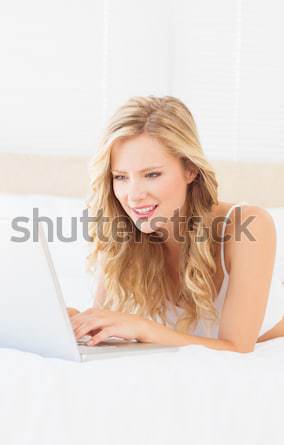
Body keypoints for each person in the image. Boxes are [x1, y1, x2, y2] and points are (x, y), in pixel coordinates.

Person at [67, 95, 284, 353]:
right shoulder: (123, 232)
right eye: (121, 177)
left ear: (190, 169)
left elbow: (237, 348)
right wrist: (77, 322)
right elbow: (108, 320)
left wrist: (142, 327)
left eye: (152, 174)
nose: (133, 195)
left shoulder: (248, 225)